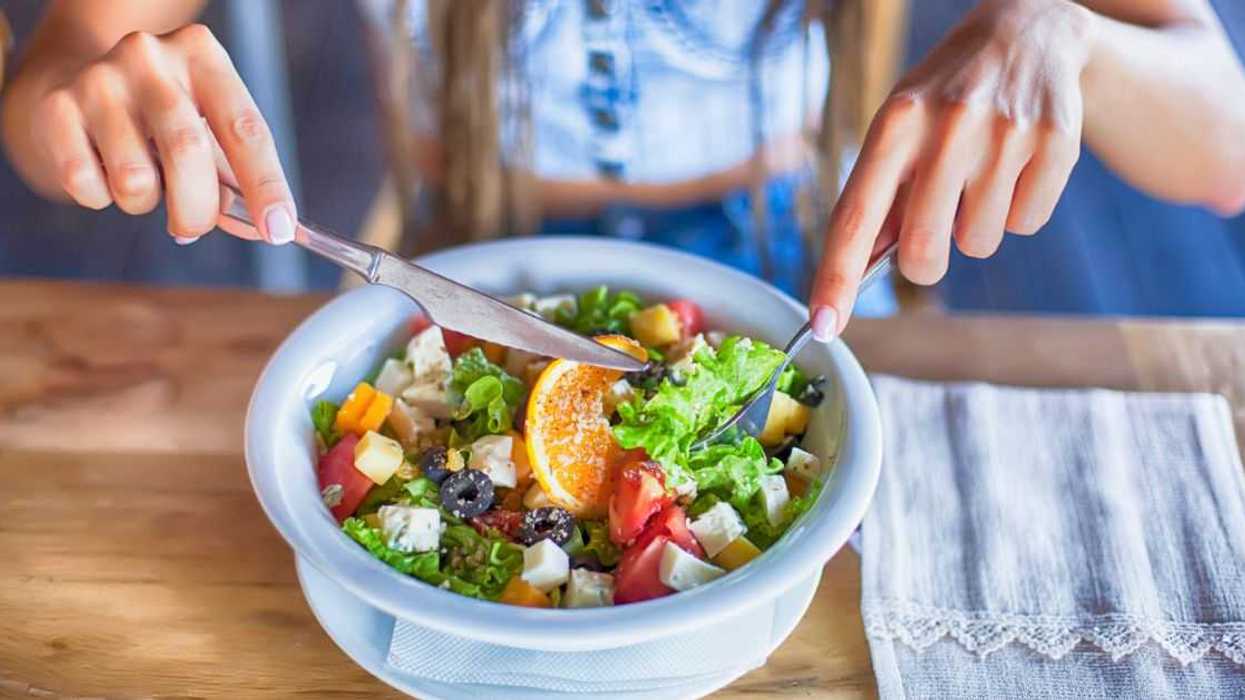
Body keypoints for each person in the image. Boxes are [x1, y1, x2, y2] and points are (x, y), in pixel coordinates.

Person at [2, 1, 1244, 342]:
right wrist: (86, 106)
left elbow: (1220, 142)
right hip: (455, 281)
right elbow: (57, 70)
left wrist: (1069, 38)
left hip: (806, 294)